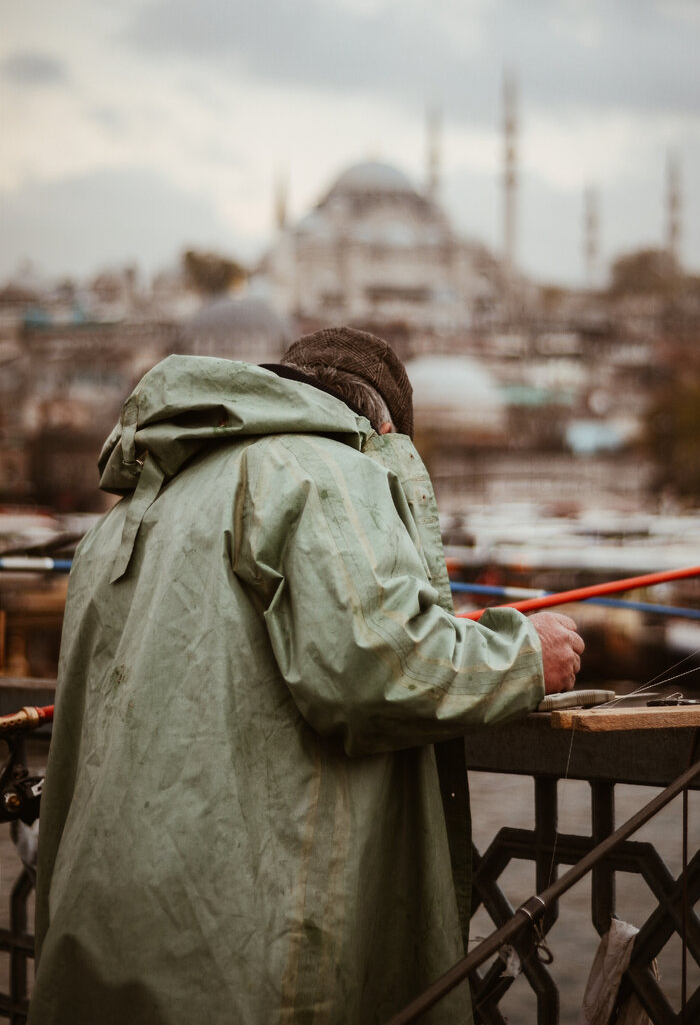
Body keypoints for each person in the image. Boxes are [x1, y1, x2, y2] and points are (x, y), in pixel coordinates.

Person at [30, 327, 583, 1025]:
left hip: (104, 935)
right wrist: (523, 655)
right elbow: (380, 669)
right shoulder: (324, 468)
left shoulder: (134, 513)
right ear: (380, 430)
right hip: (239, 953)